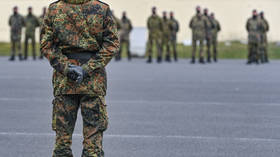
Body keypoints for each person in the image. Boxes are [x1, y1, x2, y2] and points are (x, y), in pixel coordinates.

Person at [40, 0, 119, 156]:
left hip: (64, 81)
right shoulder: (101, 8)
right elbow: (111, 44)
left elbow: (46, 45)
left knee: (62, 141)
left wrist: (66, 68)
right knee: (93, 141)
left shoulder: (55, 9)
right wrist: (86, 69)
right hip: (93, 81)